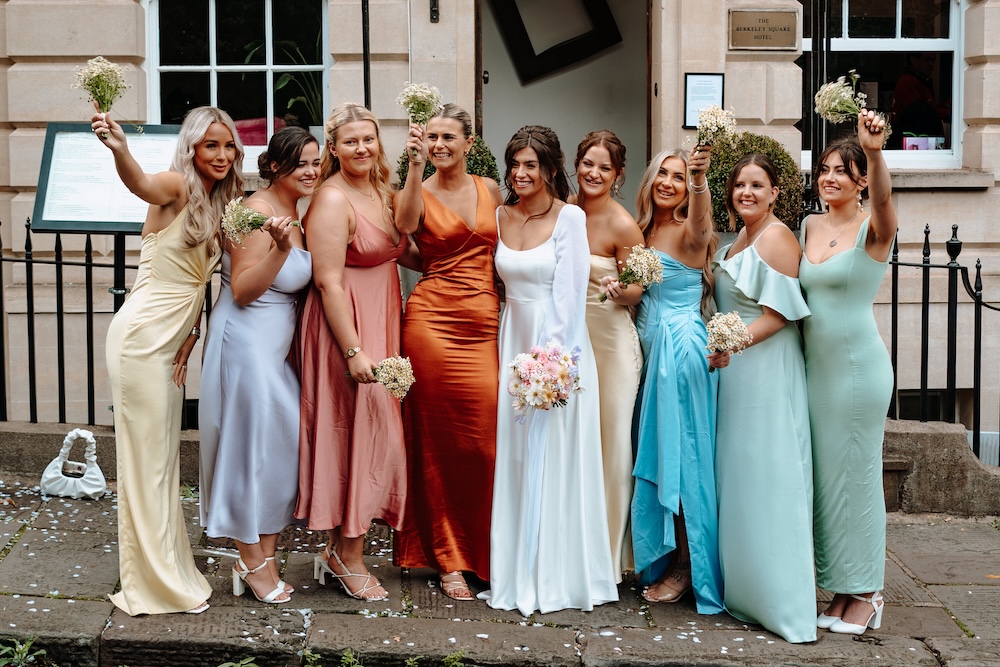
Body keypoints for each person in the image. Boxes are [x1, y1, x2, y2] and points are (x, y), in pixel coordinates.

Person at [92, 104, 243, 615]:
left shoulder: (224, 202)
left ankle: (171, 569)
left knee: (164, 460)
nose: (222, 155)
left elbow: (202, 285)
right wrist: (120, 150)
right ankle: (154, 584)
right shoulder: (177, 186)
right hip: (140, 339)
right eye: (211, 146)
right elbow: (141, 185)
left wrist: (193, 336)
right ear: (193, 149)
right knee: (147, 463)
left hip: (171, 343)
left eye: (228, 146)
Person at [481, 125, 618, 616]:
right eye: (514, 164)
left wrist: (549, 365)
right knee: (517, 454)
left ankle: (556, 573)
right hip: (511, 334)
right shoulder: (499, 215)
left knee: (554, 453)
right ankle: (515, 567)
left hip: (555, 349)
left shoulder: (570, 218)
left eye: (530, 165)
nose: (520, 173)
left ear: (551, 169)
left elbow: (570, 295)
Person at [295, 102, 411, 601]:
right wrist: (354, 351)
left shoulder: (382, 191)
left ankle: (342, 549)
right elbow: (327, 281)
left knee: (377, 433)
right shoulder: (332, 200)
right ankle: (347, 554)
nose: (361, 148)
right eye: (350, 141)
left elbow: (410, 249)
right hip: (348, 331)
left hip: (383, 319)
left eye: (369, 139)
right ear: (334, 149)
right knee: (356, 433)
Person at [199, 127, 318, 604]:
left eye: (315, 162)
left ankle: (265, 556)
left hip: (275, 345)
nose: (311, 171)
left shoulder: (299, 212)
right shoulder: (252, 211)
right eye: (301, 163)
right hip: (245, 342)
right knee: (245, 451)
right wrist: (283, 250)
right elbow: (244, 290)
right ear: (273, 166)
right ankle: (252, 561)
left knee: (278, 450)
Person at [392, 104, 504, 600]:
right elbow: (404, 228)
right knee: (437, 443)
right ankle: (448, 558)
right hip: (432, 322)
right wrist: (415, 165)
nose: (439, 144)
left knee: (484, 443)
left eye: (448, 137)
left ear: (469, 143)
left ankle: (487, 550)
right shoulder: (417, 189)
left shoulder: (491, 190)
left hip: (483, 322)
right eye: (431, 136)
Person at [711, 153, 816, 643]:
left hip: (767, 373)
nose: (746, 193)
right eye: (738, 186)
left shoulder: (776, 237)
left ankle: (783, 603)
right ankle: (746, 591)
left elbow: (778, 316)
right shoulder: (738, 239)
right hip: (735, 374)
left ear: (776, 192)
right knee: (741, 479)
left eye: (757, 185)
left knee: (772, 477)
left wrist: (727, 343)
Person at [802, 111, 896, 636]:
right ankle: (840, 587)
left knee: (858, 479)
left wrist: (875, 151)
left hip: (858, 372)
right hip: (816, 372)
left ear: (860, 180)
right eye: (824, 169)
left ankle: (868, 591)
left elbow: (884, 203)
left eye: (842, 170)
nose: (829, 177)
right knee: (827, 481)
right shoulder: (810, 224)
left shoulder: (874, 227)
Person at [627, 146, 724, 613]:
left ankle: (689, 567)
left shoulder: (690, 230)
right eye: (662, 174)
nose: (668, 182)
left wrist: (702, 181)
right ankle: (666, 556)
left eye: (679, 178)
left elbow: (704, 226)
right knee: (663, 456)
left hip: (681, 349)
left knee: (684, 457)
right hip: (650, 355)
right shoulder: (643, 229)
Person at [568, 130, 643, 582]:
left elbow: (637, 288)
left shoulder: (623, 224)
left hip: (612, 345)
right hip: (571, 342)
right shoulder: (563, 211)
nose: (593, 173)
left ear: (617, 176)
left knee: (612, 445)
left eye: (604, 167)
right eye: (587, 163)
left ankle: (609, 558)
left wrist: (620, 291)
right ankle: (573, 542)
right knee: (573, 442)